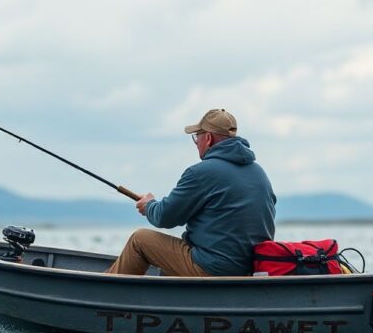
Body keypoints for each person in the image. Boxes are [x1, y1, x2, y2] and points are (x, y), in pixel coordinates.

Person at [105, 108, 276, 277]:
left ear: (208, 138)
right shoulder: (259, 172)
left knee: (140, 240)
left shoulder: (201, 172)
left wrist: (149, 206)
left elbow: (165, 216)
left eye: (196, 137)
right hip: (250, 268)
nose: (196, 143)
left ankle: (104, 292)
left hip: (214, 269)